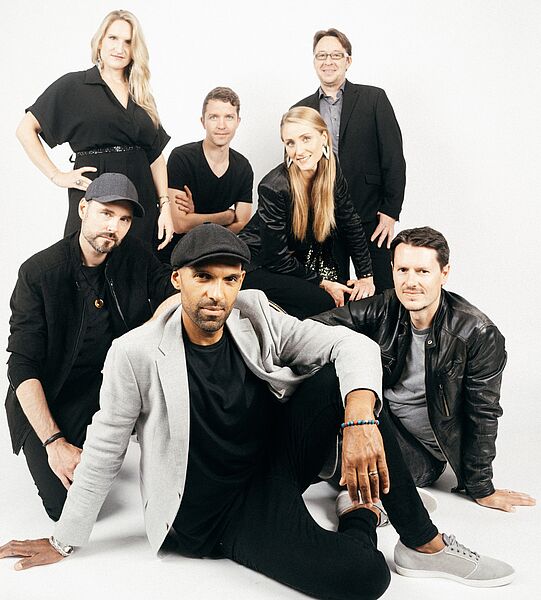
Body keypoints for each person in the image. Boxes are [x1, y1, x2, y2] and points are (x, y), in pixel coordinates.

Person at [0, 224, 515, 595]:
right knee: (365, 578)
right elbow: (105, 447)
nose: (217, 293)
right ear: (178, 280)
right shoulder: (135, 353)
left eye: (229, 279)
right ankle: (357, 509)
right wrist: (63, 541)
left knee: (344, 381)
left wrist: (359, 419)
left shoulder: (254, 312)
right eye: (204, 277)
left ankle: (422, 543)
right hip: (218, 514)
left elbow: (351, 346)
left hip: (274, 460)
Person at [313, 226, 536, 513]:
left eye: (423, 271)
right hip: (379, 416)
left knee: (324, 452)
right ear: (392, 271)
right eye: (403, 270)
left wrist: (481, 487)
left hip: (420, 451)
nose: (411, 282)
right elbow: (314, 329)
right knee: (320, 377)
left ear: (444, 274)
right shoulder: (387, 305)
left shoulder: (478, 333)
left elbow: (483, 412)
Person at [5, 172, 176, 521]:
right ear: (83, 209)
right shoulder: (39, 273)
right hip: (52, 395)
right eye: (106, 213)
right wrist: (54, 443)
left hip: (105, 388)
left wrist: (148, 330)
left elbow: (172, 291)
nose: (114, 227)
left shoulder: (133, 255)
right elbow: (22, 366)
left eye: (124, 219)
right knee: (69, 508)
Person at [15, 9, 174, 252]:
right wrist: (56, 175)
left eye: (128, 42)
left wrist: (165, 206)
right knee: (86, 260)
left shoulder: (141, 93)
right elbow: (25, 129)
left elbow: (156, 156)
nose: (119, 48)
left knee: (137, 265)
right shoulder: (75, 85)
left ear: (135, 49)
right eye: (113, 38)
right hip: (96, 188)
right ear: (100, 42)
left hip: (141, 197)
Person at [293, 28, 406, 293]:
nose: (328, 61)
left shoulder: (374, 99)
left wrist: (390, 212)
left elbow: (393, 158)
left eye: (335, 55)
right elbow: (295, 165)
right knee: (333, 293)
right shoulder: (301, 109)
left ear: (348, 60)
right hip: (323, 218)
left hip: (371, 215)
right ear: (314, 61)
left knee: (382, 290)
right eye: (321, 55)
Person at [240, 106, 375, 320]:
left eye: (306, 139)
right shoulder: (273, 186)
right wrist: (323, 282)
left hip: (290, 263)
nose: (299, 151)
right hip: (254, 266)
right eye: (290, 143)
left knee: (348, 301)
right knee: (324, 303)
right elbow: (276, 258)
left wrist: (365, 276)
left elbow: (350, 222)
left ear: (324, 137)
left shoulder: (331, 170)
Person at [159, 87, 253, 264]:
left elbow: (242, 224)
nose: (221, 125)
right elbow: (179, 225)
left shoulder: (243, 167)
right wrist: (225, 217)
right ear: (203, 121)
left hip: (217, 253)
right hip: (175, 254)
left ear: (238, 121)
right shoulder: (182, 158)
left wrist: (195, 219)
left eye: (229, 117)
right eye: (214, 117)